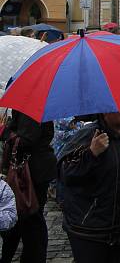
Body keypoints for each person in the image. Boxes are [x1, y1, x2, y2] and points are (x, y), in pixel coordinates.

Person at [58, 106, 120, 262]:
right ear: (105, 110)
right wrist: (91, 154)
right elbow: (66, 175)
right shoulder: (87, 135)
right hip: (90, 230)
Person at [0, 112, 57, 263]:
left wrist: (5, 132)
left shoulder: (30, 110)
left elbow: (26, 140)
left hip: (31, 173)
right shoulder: (35, 107)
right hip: (35, 170)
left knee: (31, 220)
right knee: (24, 219)